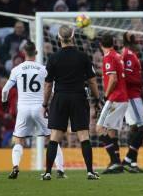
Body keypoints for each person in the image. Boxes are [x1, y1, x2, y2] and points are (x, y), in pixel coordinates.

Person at [41, 25, 102, 180]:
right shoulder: (83, 56)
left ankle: (48, 172)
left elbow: (48, 84)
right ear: (73, 36)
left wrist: (45, 103)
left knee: (54, 136)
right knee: (83, 135)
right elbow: (93, 81)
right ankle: (89, 172)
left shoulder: (53, 58)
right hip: (78, 97)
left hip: (60, 98)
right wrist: (97, 98)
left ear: (59, 38)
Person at [3, 41, 65, 179]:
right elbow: (53, 89)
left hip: (23, 108)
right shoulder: (43, 69)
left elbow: (5, 90)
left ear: (24, 53)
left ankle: (15, 167)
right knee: (52, 138)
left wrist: (4, 103)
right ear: (36, 53)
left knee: (19, 139)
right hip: (39, 107)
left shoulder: (16, 69)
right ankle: (60, 170)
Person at [96, 33, 129, 174]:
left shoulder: (109, 56)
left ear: (100, 45)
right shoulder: (118, 55)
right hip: (123, 98)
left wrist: (105, 95)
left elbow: (113, 79)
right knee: (112, 131)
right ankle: (116, 163)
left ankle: (115, 161)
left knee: (99, 128)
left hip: (115, 98)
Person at [120, 31, 143, 173]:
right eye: (135, 36)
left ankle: (132, 164)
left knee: (135, 129)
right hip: (131, 96)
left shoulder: (130, 53)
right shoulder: (127, 54)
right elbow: (124, 76)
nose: (138, 38)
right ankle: (127, 159)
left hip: (134, 95)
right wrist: (141, 83)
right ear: (129, 39)